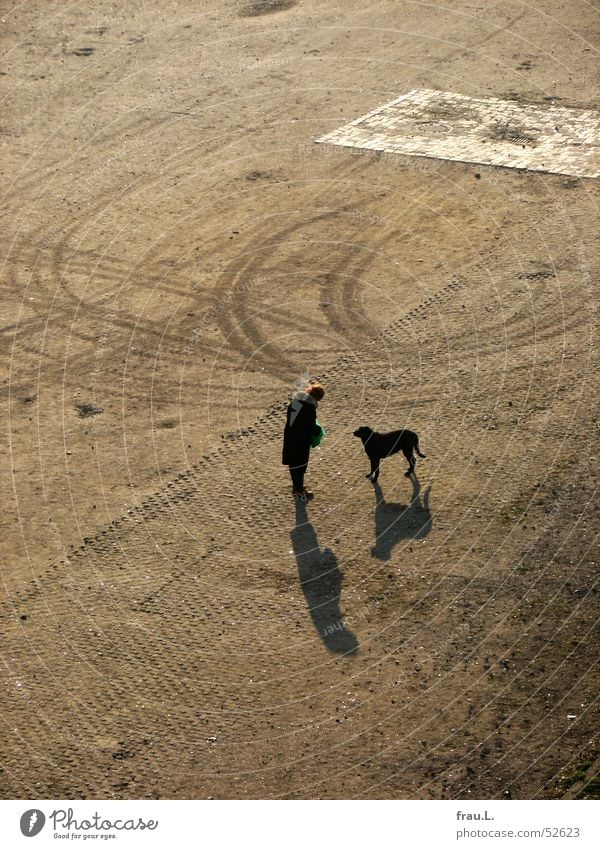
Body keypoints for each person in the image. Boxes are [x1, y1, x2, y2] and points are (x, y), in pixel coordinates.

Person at [282, 381, 325, 500]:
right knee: (300, 466)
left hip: (290, 435)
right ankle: (299, 491)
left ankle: (296, 487)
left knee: (292, 463)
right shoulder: (309, 407)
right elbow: (310, 425)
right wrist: (318, 431)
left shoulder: (296, 400)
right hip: (301, 440)